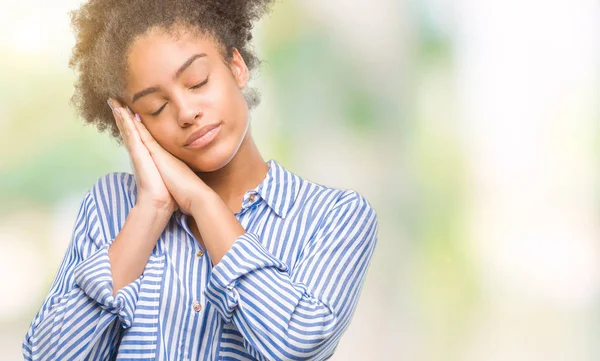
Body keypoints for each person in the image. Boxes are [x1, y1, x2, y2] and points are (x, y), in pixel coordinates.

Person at [22, 0, 379, 360]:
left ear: (236, 67)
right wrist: (153, 209)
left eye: (198, 82)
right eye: (157, 108)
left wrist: (203, 202)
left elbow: (295, 345)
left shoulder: (335, 216)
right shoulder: (111, 205)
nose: (187, 112)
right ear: (132, 123)